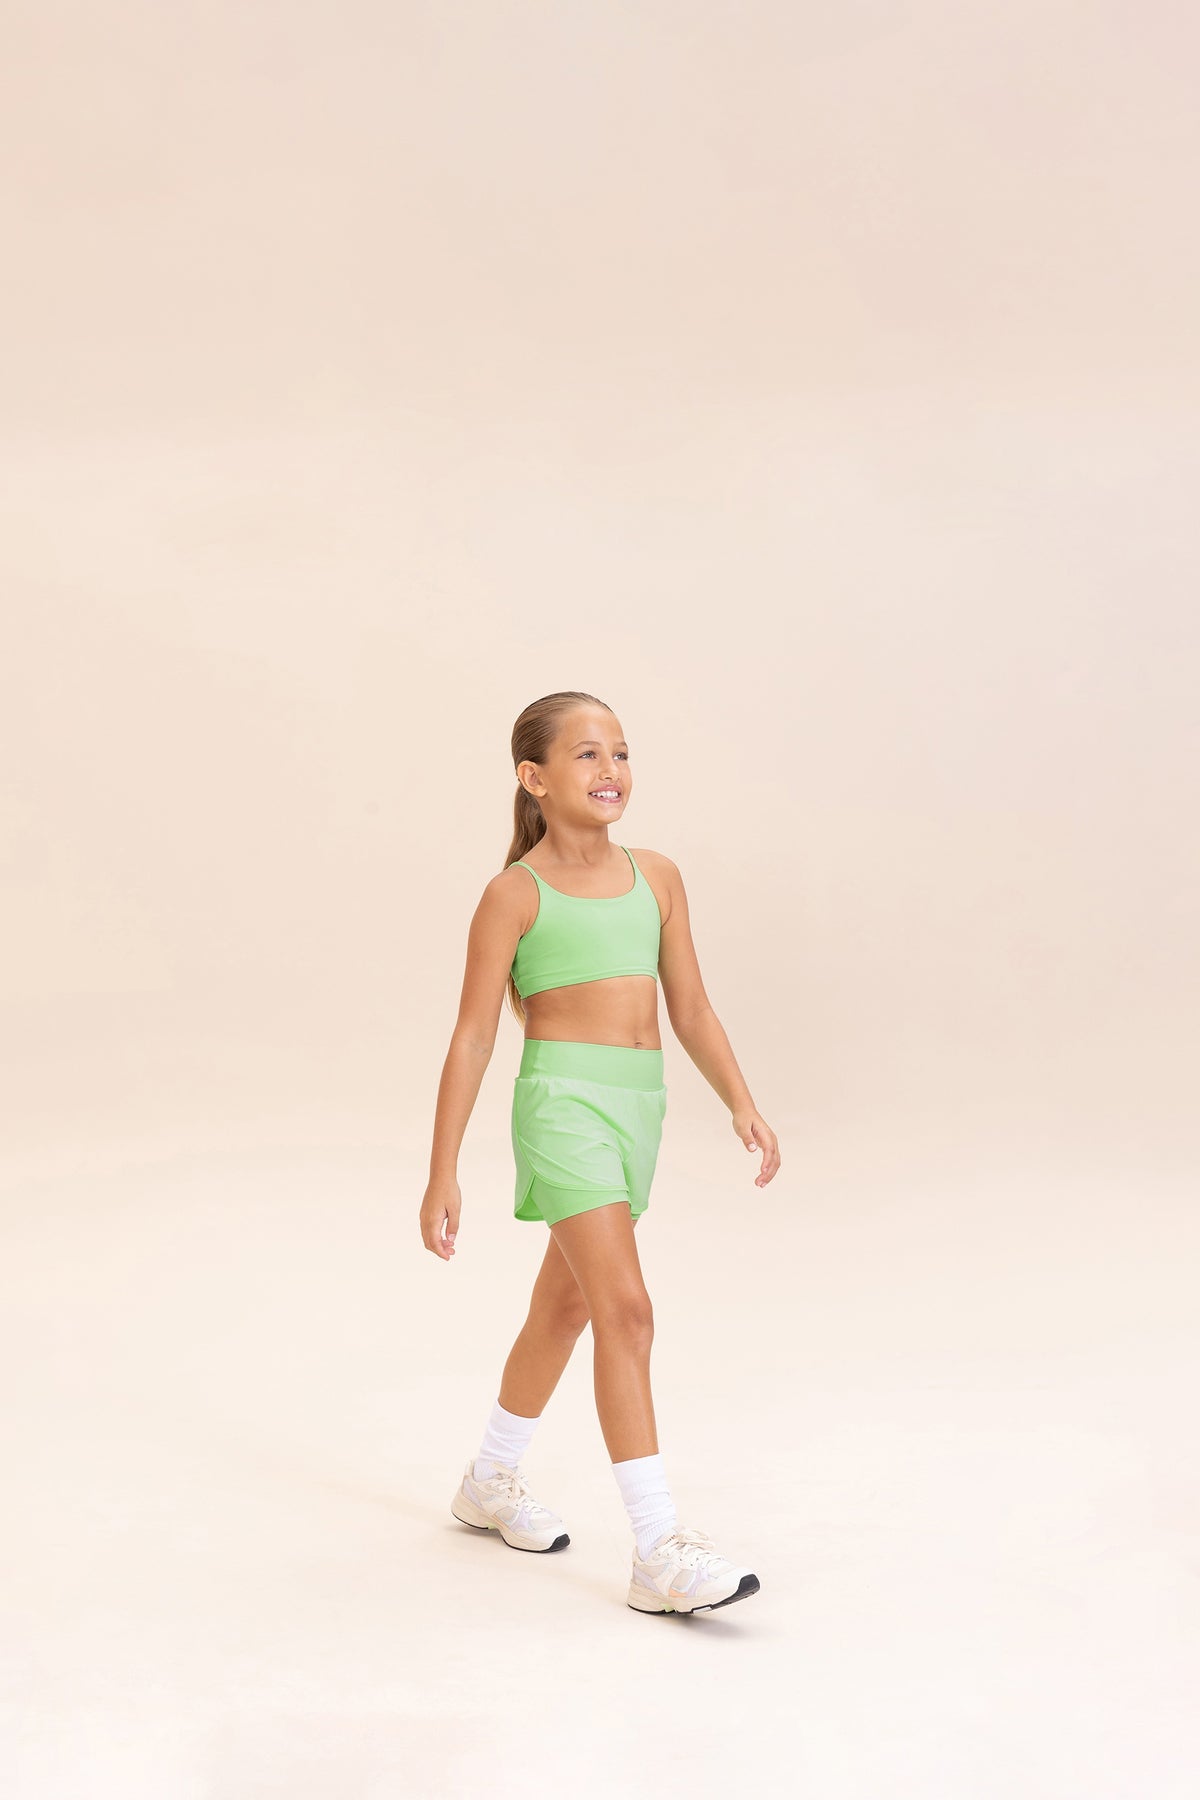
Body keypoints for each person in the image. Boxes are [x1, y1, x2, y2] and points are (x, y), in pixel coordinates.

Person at [419, 689, 780, 1614]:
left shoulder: (658, 876)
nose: (610, 769)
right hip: (563, 1106)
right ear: (533, 778)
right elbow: (473, 1036)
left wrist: (739, 1100)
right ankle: (658, 1548)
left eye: (620, 752)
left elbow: (689, 1006)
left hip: (637, 1108)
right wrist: (442, 1168)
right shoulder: (514, 893)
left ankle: (488, 1481)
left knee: (566, 1306)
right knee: (628, 1311)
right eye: (585, 754)